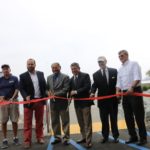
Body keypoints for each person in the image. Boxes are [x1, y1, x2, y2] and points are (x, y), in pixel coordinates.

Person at [116, 50, 147, 145]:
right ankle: (133, 136)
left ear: (127, 55)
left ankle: (143, 138)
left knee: (139, 115)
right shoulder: (120, 69)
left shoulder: (134, 64)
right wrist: (117, 91)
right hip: (125, 93)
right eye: (119, 56)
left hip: (134, 91)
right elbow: (119, 83)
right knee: (128, 116)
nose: (121, 57)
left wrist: (132, 87)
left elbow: (137, 78)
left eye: (122, 55)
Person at [91, 56, 119, 144]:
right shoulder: (95, 74)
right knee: (104, 120)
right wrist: (92, 92)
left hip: (113, 100)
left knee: (114, 119)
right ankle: (105, 136)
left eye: (102, 61)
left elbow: (118, 83)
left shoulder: (114, 71)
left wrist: (119, 93)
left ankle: (115, 136)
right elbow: (94, 85)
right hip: (102, 102)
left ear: (106, 61)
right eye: (99, 62)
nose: (100, 63)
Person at [19, 59, 47, 149]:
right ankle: (27, 141)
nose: (30, 65)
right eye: (28, 64)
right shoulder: (22, 75)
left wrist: (47, 93)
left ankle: (40, 137)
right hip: (28, 102)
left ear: (35, 64)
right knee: (27, 123)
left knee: (39, 121)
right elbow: (21, 88)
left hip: (40, 101)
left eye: (32, 64)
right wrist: (25, 96)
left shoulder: (41, 74)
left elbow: (44, 86)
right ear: (26, 65)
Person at [70, 62, 93, 148]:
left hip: (85, 103)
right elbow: (70, 90)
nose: (73, 70)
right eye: (72, 69)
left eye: (75, 68)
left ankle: (88, 141)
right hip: (77, 104)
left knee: (87, 123)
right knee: (81, 122)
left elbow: (87, 87)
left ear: (79, 68)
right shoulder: (71, 79)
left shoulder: (85, 75)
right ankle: (84, 137)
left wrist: (76, 91)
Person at [47, 63, 70, 145]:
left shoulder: (65, 77)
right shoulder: (49, 77)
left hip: (63, 103)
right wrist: (48, 93)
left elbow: (66, 89)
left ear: (60, 67)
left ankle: (66, 138)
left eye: (56, 67)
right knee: (54, 121)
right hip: (53, 103)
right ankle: (57, 137)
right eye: (53, 68)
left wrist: (55, 94)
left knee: (65, 121)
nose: (54, 69)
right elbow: (47, 89)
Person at [0, 64, 19, 149]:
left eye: (7, 69)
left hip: (13, 101)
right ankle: (5, 140)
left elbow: (17, 89)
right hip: (3, 102)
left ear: (9, 70)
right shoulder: (0, 79)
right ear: (2, 71)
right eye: (4, 69)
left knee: (14, 120)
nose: (5, 70)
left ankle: (15, 138)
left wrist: (12, 98)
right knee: (3, 121)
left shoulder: (14, 78)